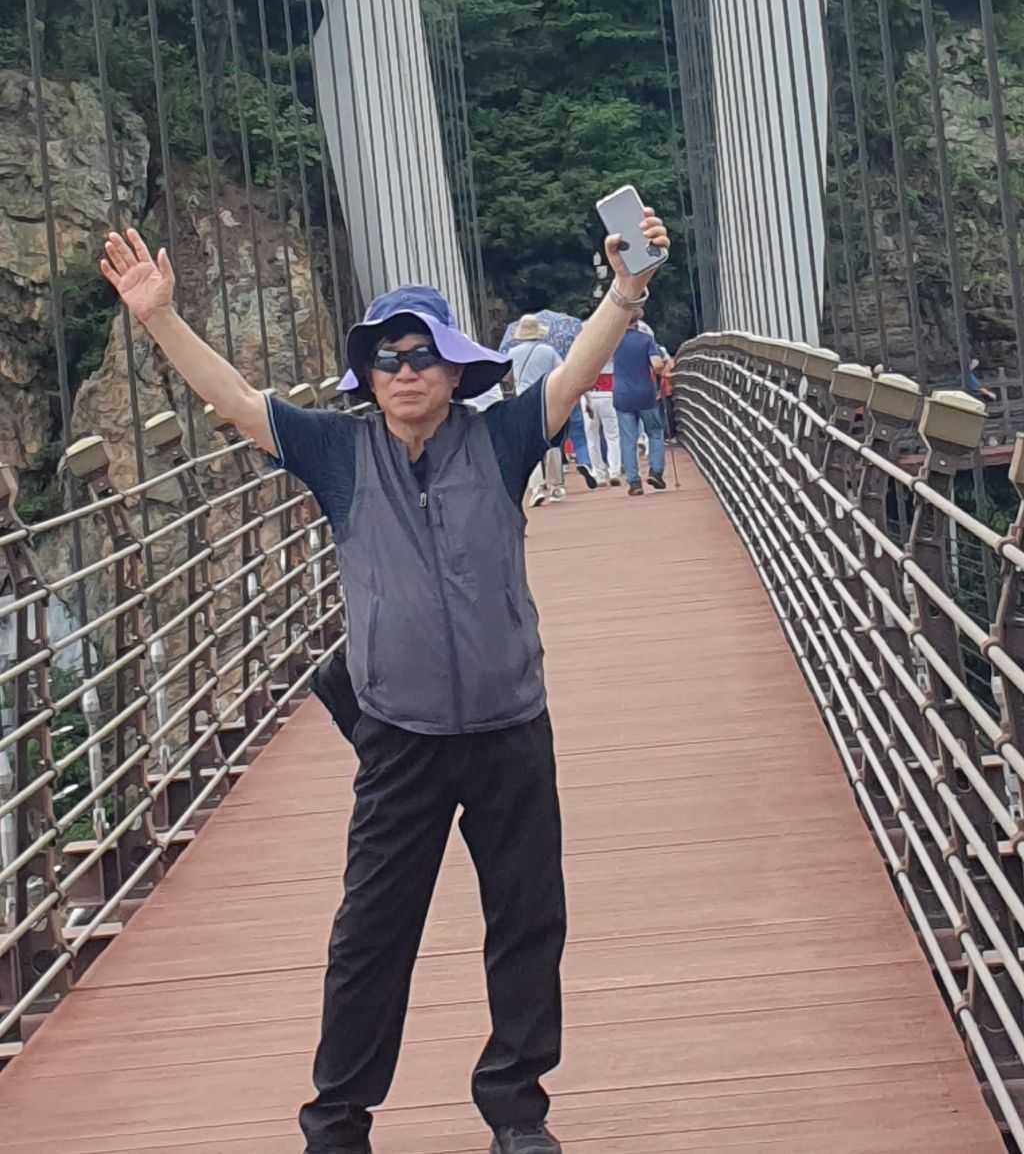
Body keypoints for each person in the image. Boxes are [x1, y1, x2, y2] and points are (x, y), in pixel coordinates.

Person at [99, 204, 669, 1154]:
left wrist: (627, 289)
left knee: (528, 921)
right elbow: (236, 400)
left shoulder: (499, 439)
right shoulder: (339, 453)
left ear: (455, 370)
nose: (407, 371)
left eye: (424, 356)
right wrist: (158, 317)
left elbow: (574, 376)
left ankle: (516, 1110)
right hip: (400, 735)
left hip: (508, 726)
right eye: (389, 358)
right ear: (367, 375)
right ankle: (337, 1122)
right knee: (371, 935)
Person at [510, 314, 564, 508]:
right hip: (547, 397)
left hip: (523, 400)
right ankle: (556, 486)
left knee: (528, 445)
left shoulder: (512, 353)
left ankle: (536, 488)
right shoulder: (548, 351)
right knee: (551, 442)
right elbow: (561, 371)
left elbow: (507, 377)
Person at [612, 310, 666, 496]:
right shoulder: (646, 340)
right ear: (638, 321)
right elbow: (657, 365)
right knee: (655, 432)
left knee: (628, 439)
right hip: (645, 395)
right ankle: (656, 472)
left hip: (622, 395)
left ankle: (634, 482)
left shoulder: (614, 341)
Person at [584, 362, 621, 483]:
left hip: (589, 395)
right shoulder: (611, 355)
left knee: (592, 438)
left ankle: (598, 472)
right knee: (612, 437)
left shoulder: (586, 357)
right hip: (608, 394)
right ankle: (614, 471)